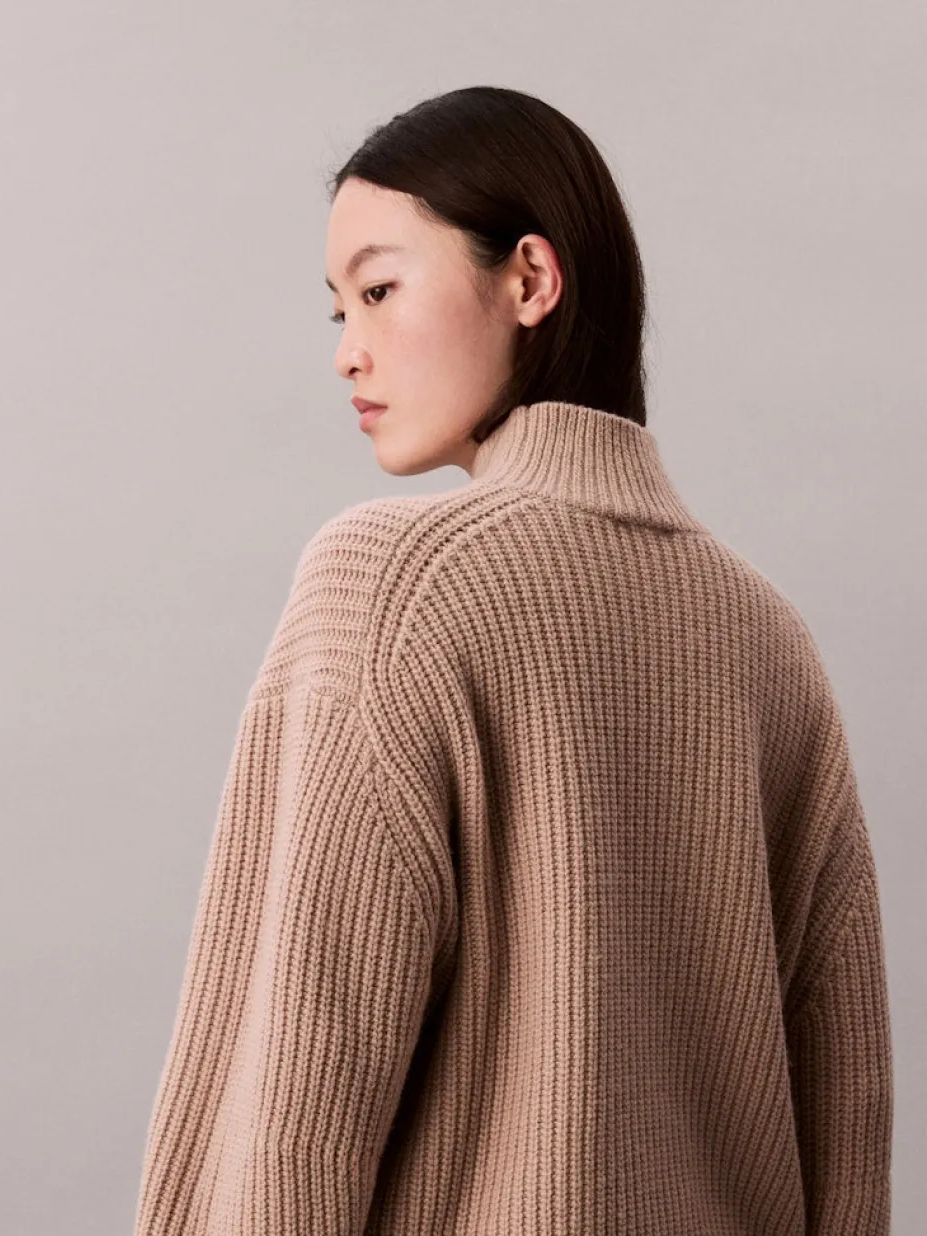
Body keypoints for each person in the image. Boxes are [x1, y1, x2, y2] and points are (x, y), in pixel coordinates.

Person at [132, 86, 892, 1235]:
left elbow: (292, 1096)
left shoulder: (390, 586)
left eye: (378, 290)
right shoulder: (769, 638)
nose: (347, 352)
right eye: (336, 309)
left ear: (530, 280)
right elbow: (846, 1112)